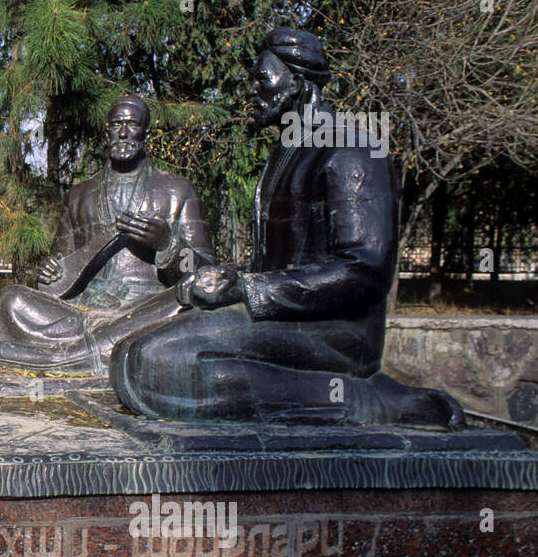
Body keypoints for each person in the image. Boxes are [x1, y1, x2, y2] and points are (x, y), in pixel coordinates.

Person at [110, 28, 463, 427]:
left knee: (155, 363)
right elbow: (276, 264)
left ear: (301, 82)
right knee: (127, 353)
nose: (250, 91)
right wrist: (231, 276)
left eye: (262, 79)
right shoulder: (287, 152)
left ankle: (356, 399)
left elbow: (365, 270)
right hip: (287, 319)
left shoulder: (352, 147)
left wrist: (249, 288)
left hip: (336, 332)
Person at [0, 96, 212, 374]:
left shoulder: (177, 191)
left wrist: (167, 245)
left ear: (145, 134)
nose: (123, 133)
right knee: (10, 299)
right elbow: (61, 269)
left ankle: (69, 357)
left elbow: (208, 273)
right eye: (116, 125)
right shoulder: (79, 196)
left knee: (188, 302)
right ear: (106, 132)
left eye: (131, 125)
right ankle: (100, 351)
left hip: (146, 310)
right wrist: (49, 272)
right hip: (83, 315)